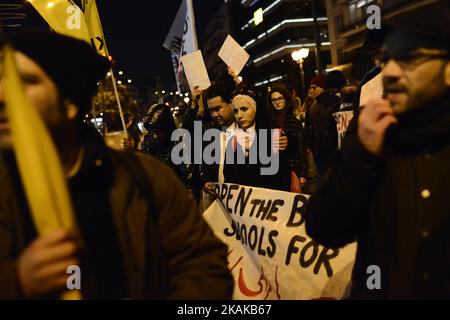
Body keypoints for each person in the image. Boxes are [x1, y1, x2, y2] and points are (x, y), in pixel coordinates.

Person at [0, 30, 233, 299]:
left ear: (70, 104)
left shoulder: (146, 179)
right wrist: (16, 281)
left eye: (24, 81)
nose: (4, 96)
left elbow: (204, 267)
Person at [305, 0, 450, 299]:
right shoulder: (370, 136)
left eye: (408, 58)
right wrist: (360, 156)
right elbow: (325, 229)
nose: (391, 72)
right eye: (386, 59)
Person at [223, 90, 291, 191]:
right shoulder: (233, 143)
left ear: (255, 109)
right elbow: (229, 179)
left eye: (244, 109)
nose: (239, 116)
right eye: (236, 111)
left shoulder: (273, 138)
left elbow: (283, 177)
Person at [266, 85, 306, 192]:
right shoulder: (269, 122)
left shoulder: (295, 122)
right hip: (274, 170)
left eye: (280, 98)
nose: (277, 102)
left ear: (286, 99)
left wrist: (302, 173)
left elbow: (301, 148)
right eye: (273, 100)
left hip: (292, 168)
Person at [304, 74, 340, 185]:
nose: (311, 90)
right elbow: (308, 127)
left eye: (314, 87)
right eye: (311, 87)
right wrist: (309, 145)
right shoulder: (311, 106)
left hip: (332, 151)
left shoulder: (334, 101)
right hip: (318, 152)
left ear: (323, 87)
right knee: (322, 181)